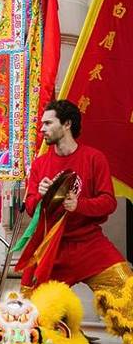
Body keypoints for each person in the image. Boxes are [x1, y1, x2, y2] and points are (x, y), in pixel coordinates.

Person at [22, 100, 130, 292]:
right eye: (41, 124)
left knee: (126, 294)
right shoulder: (40, 164)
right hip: (51, 248)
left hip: (89, 245)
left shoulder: (94, 158)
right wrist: (40, 196)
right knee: (28, 312)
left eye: (48, 123)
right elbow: (30, 208)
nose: (42, 129)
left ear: (67, 124)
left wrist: (78, 205)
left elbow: (109, 202)